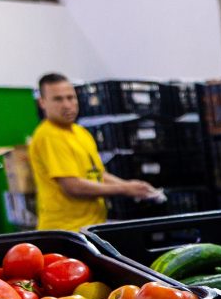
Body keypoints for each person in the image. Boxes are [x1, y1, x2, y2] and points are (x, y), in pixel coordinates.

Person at [29, 73, 159, 231]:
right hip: (66, 231)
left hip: (90, 226)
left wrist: (132, 186)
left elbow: (98, 175)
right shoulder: (49, 136)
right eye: (58, 99)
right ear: (42, 102)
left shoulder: (81, 133)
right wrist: (124, 189)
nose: (67, 105)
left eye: (71, 97)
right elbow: (73, 186)